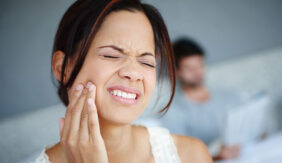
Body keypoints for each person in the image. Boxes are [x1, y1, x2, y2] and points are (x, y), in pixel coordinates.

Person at [32, 0, 213, 162]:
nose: (134, 73)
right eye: (111, 55)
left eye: (146, 62)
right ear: (62, 68)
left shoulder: (191, 155)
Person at [159, 38, 242, 160]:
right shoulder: (173, 111)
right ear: (176, 72)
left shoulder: (227, 96)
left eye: (200, 65)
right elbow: (181, 155)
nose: (198, 72)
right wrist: (216, 157)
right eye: (190, 69)